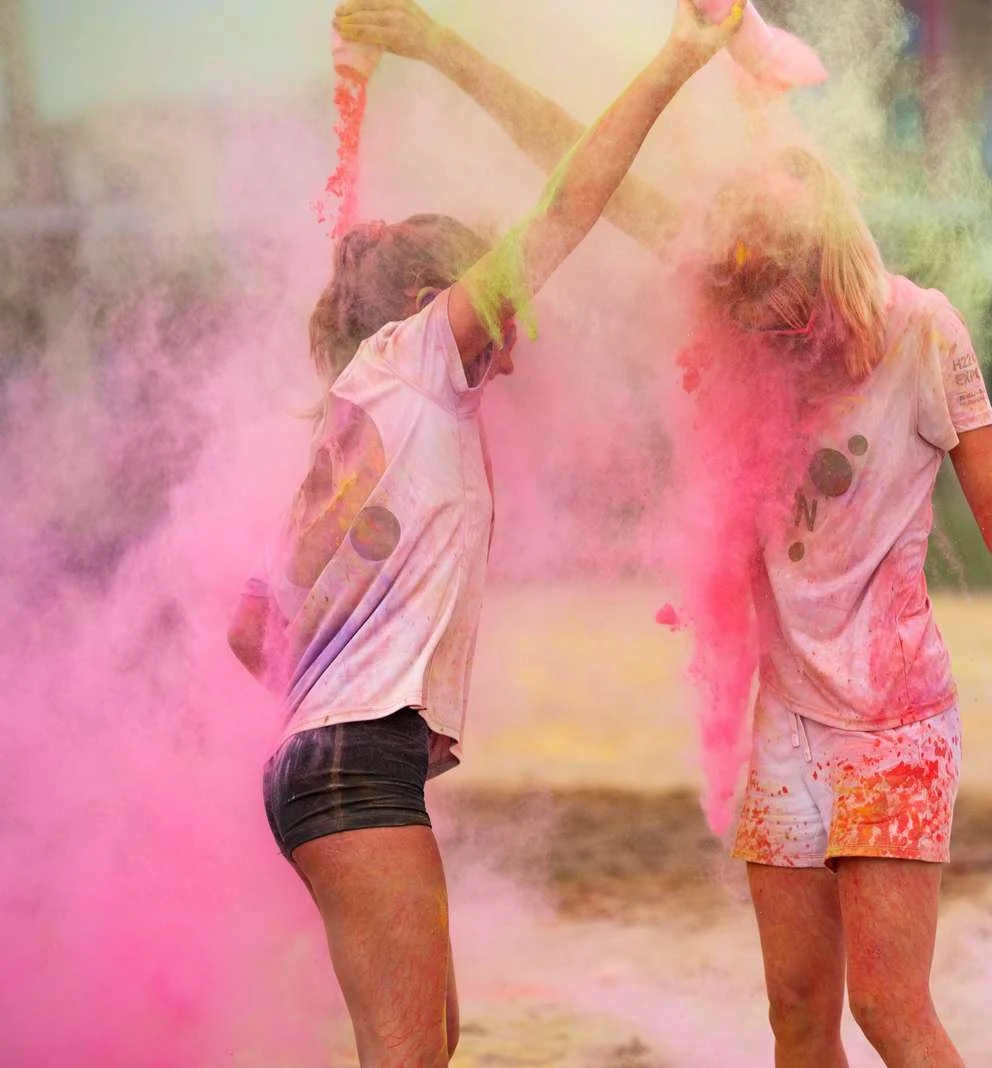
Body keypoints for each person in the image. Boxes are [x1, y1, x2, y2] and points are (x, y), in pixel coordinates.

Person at [337, 7, 992, 1068]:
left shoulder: (921, 331)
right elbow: (575, 168)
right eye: (743, 312)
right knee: (796, 1016)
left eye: (782, 313)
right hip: (785, 724)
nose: (761, 336)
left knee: (890, 1011)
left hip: (894, 720)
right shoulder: (732, 287)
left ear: (829, 267)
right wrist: (439, 49)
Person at [226, 5, 744, 1066]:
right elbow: (571, 204)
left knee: (429, 1043)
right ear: (432, 300)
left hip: (338, 762)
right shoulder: (417, 357)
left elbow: (251, 630)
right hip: (355, 763)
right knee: (412, 1055)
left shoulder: (362, 415)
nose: (519, 345)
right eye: (503, 315)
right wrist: (678, 60)